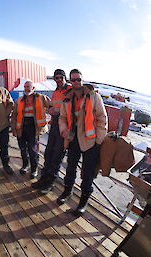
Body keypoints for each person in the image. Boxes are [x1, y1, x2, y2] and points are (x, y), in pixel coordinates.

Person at [57, 69, 107, 215]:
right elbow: (62, 117)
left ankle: (83, 202)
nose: (76, 82)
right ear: (70, 82)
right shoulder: (67, 99)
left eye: (79, 79)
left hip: (90, 142)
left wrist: (99, 140)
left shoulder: (94, 97)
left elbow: (102, 118)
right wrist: (63, 129)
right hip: (73, 140)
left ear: (83, 80)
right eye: (73, 80)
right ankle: (67, 192)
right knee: (70, 168)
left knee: (87, 173)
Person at [31, 69, 72, 194]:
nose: (58, 80)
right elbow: (54, 108)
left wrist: (56, 111)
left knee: (57, 156)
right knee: (48, 153)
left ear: (65, 77)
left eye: (60, 77)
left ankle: (50, 182)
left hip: (63, 127)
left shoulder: (70, 91)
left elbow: (71, 110)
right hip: (54, 125)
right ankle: (43, 179)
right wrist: (50, 107)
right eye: (56, 78)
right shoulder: (55, 92)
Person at [11, 80, 51, 179]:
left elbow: (52, 106)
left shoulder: (40, 98)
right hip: (21, 128)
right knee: (23, 148)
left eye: (28, 86)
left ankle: (34, 168)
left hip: (33, 127)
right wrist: (14, 129)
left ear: (33, 88)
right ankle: (25, 165)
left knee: (32, 149)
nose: (26, 88)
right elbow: (14, 115)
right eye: (25, 86)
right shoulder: (19, 100)